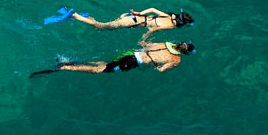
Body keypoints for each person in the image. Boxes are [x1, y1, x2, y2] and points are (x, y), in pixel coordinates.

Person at [29, 41, 196, 77]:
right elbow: (160, 69)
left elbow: (145, 43)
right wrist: (155, 65)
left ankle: (69, 62)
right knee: (99, 70)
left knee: (107, 64)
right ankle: (65, 67)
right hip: (132, 62)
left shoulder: (167, 43)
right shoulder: (176, 60)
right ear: (185, 53)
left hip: (130, 52)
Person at [71, 7, 194, 40]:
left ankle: (87, 17)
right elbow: (152, 30)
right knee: (100, 26)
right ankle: (76, 15)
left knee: (102, 27)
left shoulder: (168, 16)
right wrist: (144, 40)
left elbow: (152, 9)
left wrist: (138, 12)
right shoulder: (171, 26)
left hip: (132, 17)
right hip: (131, 21)